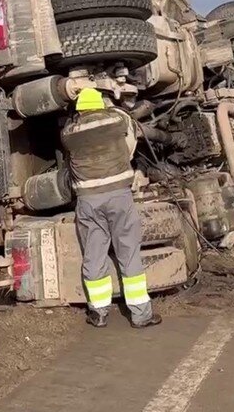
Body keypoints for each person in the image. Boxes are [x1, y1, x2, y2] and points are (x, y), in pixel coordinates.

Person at [60, 87, 161, 329]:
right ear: (100, 106)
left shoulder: (69, 133)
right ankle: (141, 315)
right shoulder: (115, 121)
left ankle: (99, 313)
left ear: (79, 111)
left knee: (94, 256)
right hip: (119, 197)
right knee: (129, 252)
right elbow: (126, 118)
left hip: (88, 201)